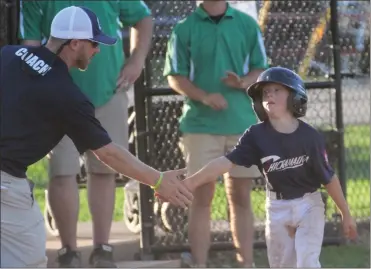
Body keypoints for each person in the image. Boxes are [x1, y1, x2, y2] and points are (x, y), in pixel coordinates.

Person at [0, 6, 193, 268]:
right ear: (75, 43)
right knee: (29, 261)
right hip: (6, 186)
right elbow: (108, 153)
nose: (98, 50)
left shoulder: (9, 55)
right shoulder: (67, 95)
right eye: (94, 43)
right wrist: (158, 180)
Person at [176, 67, 358, 268]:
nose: (269, 94)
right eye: (265, 92)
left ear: (294, 97)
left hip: (308, 205)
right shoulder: (256, 136)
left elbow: (329, 178)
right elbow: (225, 163)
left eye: (276, 90)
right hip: (277, 207)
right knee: (282, 265)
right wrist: (191, 182)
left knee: (306, 261)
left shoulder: (310, 137)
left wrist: (345, 213)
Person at [19, 1, 153, 267]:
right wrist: (42, 86)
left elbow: (143, 18)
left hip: (108, 90)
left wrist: (136, 60)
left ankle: (102, 248)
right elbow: (31, 44)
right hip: (59, 96)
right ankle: (69, 251)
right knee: (62, 171)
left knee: (105, 168)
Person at [163, 0, 268, 267]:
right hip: (200, 126)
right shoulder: (184, 29)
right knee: (201, 196)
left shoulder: (247, 25)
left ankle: (246, 263)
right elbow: (175, 76)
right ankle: (199, 263)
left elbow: (260, 68)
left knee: (241, 196)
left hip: (241, 124)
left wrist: (243, 82)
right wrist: (205, 97)